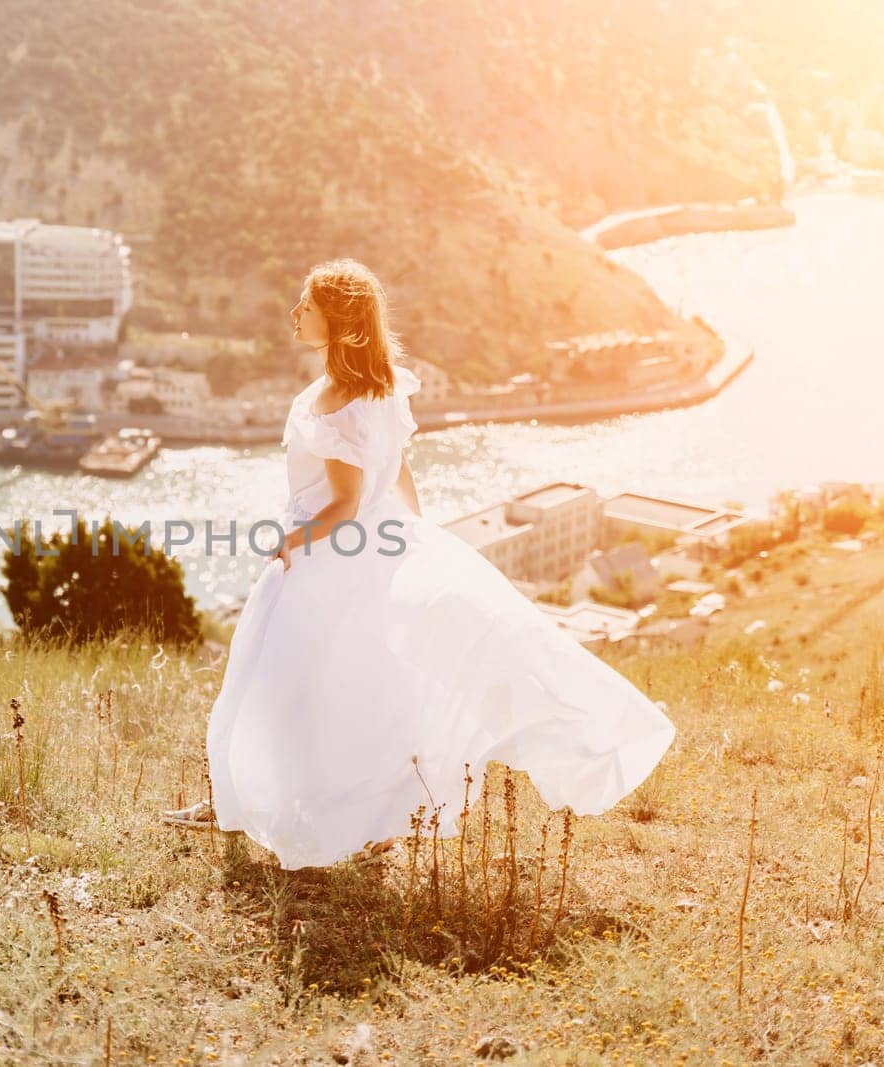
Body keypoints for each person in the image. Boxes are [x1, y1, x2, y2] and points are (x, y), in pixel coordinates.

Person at [160, 258, 676, 870]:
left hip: (328, 555)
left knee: (270, 687)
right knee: (362, 686)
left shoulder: (335, 401)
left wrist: (291, 543)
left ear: (339, 321)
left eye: (306, 304)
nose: (294, 313)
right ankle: (299, 811)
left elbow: (347, 502)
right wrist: (416, 531)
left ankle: (241, 805)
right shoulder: (381, 387)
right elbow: (398, 469)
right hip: (377, 543)